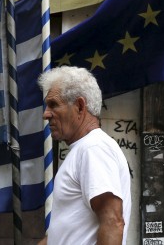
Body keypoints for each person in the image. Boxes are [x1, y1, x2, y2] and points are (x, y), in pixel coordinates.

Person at [37, 66, 131, 245]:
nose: (46, 114)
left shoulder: (93, 148)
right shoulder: (85, 149)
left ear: (80, 106)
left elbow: (112, 222)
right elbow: (65, 237)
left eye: (54, 105)